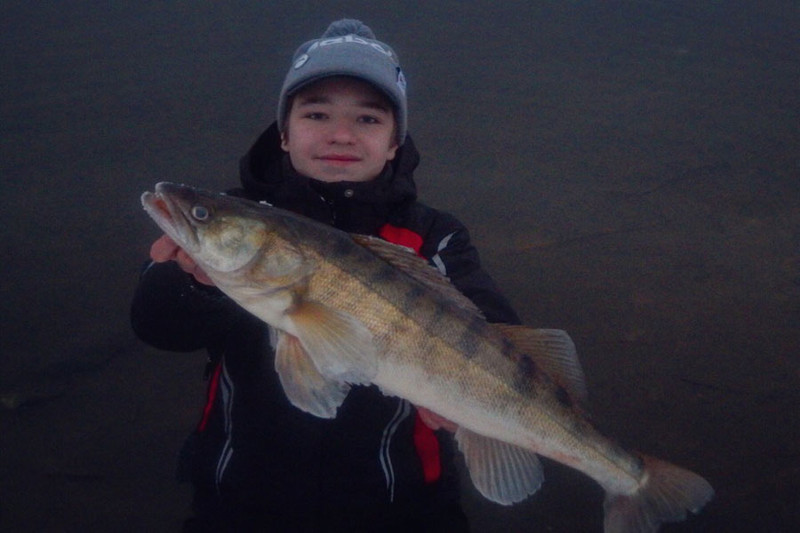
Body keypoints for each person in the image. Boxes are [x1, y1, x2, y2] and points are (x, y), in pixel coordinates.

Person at [131, 19, 520, 532]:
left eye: (368, 119)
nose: (341, 134)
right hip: (241, 504)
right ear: (285, 135)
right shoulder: (241, 215)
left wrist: (479, 394)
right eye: (316, 114)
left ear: (394, 145)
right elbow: (158, 326)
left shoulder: (433, 237)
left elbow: (493, 328)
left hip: (402, 509)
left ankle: (627, 479)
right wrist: (192, 282)